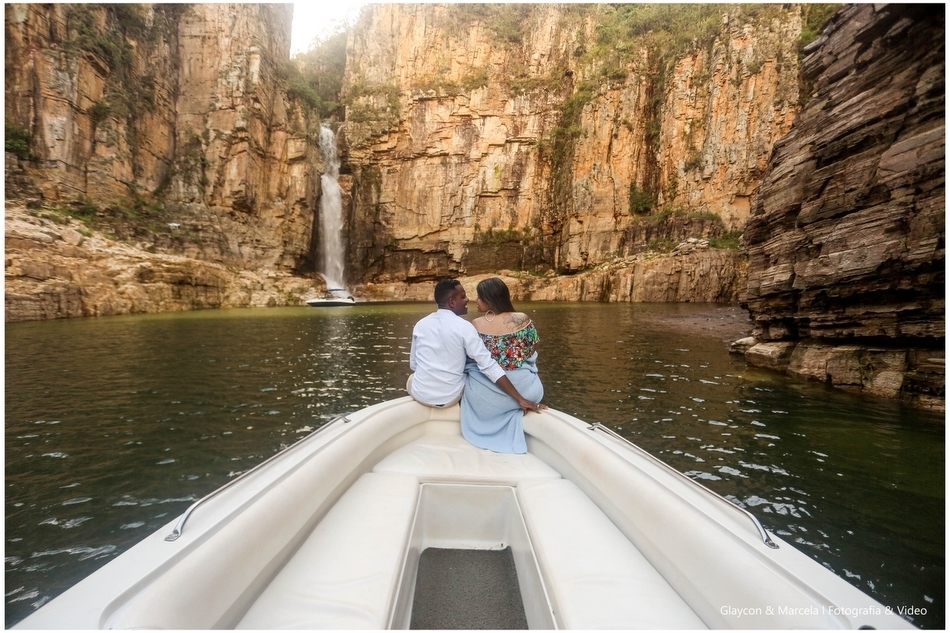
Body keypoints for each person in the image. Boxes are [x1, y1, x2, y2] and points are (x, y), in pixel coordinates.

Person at [408, 278, 543, 414]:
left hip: (421, 394)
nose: (469, 300)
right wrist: (520, 399)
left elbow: (414, 365)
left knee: (414, 378)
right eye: (463, 297)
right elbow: (489, 365)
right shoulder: (464, 327)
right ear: (452, 302)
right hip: (450, 397)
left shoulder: (421, 324)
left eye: (476, 297)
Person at [460, 277, 545, 454]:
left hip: (488, 400)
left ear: (490, 299)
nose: (477, 300)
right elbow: (530, 352)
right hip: (527, 392)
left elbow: (473, 359)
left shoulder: (476, 324)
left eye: (480, 297)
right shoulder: (522, 319)